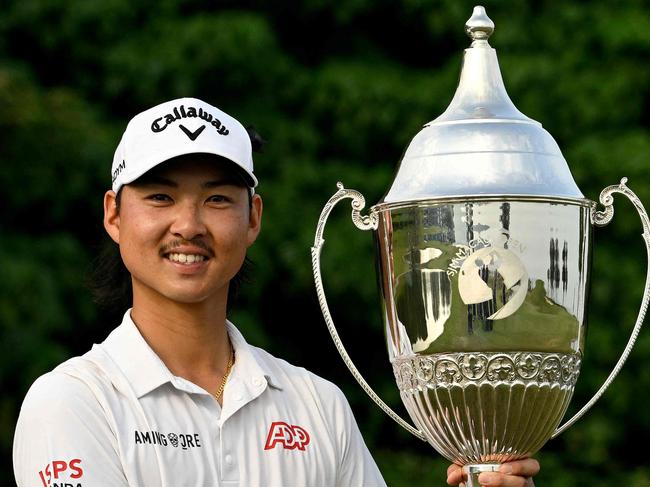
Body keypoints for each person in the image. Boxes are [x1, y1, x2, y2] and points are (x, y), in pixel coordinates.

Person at [12, 96, 538, 487]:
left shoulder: (317, 405)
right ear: (114, 215)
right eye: (160, 196)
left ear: (253, 219)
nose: (188, 224)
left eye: (217, 199)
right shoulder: (73, 401)